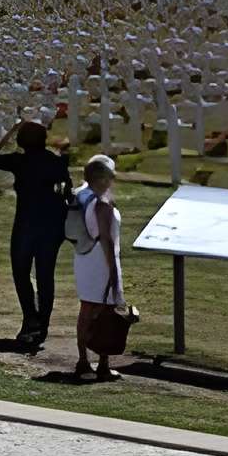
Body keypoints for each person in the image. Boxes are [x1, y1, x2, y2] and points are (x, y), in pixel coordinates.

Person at [0, 117, 71, 351]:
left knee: (21, 272)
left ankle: (30, 318)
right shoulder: (55, 161)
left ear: (22, 141)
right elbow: (66, 190)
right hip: (52, 224)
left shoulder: (19, 161)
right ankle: (41, 324)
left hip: (26, 223)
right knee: (45, 275)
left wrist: (10, 132)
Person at [69, 153, 128, 383]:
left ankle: (101, 363)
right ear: (101, 178)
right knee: (94, 309)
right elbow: (107, 239)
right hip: (101, 261)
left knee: (99, 310)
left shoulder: (87, 195)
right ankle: (85, 361)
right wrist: (113, 273)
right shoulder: (101, 204)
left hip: (87, 257)